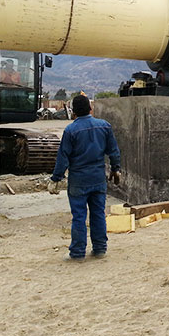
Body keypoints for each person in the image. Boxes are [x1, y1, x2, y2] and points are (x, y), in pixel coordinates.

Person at [48, 94, 122, 260]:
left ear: (73, 112)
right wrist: (116, 169)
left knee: (79, 217)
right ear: (90, 108)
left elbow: (63, 157)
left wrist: (56, 178)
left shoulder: (70, 130)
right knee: (98, 214)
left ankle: (77, 253)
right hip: (98, 178)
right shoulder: (104, 126)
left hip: (78, 180)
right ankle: (100, 249)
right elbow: (114, 151)